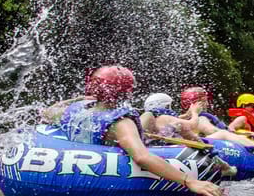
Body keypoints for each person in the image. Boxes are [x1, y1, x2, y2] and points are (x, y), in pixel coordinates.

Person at [40, 66, 221, 196]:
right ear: (125, 92)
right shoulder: (120, 122)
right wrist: (190, 181)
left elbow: (47, 113)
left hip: (71, 172)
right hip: (109, 175)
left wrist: (81, 98)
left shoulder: (75, 110)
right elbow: (142, 157)